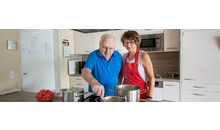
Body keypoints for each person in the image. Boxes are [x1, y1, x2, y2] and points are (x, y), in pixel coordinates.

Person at [81, 33, 123, 100]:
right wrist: (94, 82)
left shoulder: (118, 56)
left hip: (113, 97)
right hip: (96, 97)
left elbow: (120, 74)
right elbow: (85, 71)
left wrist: (118, 88)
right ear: (99, 45)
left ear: (114, 47)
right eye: (104, 47)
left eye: (111, 48)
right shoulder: (93, 56)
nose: (107, 51)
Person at [120, 30, 155, 100]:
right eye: (126, 42)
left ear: (136, 42)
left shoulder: (143, 56)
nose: (128, 45)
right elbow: (121, 75)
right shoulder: (124, 56)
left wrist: (149, 97)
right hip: (126, 94)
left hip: (140, 95)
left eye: (131, 42)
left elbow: (152, 78)